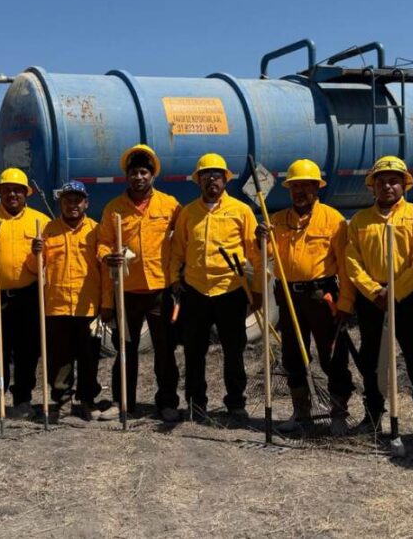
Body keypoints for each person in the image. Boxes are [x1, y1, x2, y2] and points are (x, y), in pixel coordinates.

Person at [344, 156, 413, 446]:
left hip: (410, 298)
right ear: (372, 186)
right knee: (372, 360)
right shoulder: (360, 221)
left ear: (404, 184)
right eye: (381, 181)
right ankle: (372, 417)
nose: (387, 186)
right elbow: (352, 262)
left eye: (393, 181)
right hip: (373, 300)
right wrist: (374, 291)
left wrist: (395, 292)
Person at [258, 158, 358, 435]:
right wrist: (260, 239)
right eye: (295, 186)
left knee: (332, 356)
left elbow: (346, 267)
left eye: (306, 186)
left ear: (317, 187)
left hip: (322, 295)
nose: (300, 191)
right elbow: (262, 257)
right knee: (292, 355)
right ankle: (301, 413)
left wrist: (346, 303)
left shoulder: (333, 220)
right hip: (288, 296)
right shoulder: (276, 221)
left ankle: (338, 414)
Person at [168, 153, 263, 427]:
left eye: (217, 176)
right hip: (196, 292)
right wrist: (175, 279)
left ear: (225, 180)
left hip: (230, 291)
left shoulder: (241, 211)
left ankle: (236, 404)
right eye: (206, 176)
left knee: (234, 351)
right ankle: (196, 403)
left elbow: (255, 256)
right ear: (199, 181)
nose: (212, 180)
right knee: (194, 352)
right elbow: (177, 252)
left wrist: (256, 290)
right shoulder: (188, 213)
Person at [97, 144, 181, 422]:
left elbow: (184, 238)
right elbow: (102, 243)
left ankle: (167, 402)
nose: (139, 177)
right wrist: (108, 256)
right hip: (127, 292)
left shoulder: (169, 205)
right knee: (125, 350)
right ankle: (123, 403)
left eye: (144, 172)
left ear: (152, 175)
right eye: (134, 172)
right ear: (126, 176)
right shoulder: (114, 209)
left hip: (160, 290)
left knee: (165, 351)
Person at [0, 168, 50, 419]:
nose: (12, 194)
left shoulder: (40, 221)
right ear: (0, 193)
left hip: (27, 295)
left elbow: (43, 266)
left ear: (26, 193)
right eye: (7, 190)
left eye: (17, 190)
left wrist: (39, 254)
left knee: (27, 349)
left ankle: (23, 399)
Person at [27, 181, 103, 420]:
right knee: (60, 359)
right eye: (68, 200)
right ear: (61, 203)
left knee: (89, 357)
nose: (73, 205)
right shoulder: (48, 230)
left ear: (86, 203)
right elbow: (34, 268)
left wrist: (107, 303)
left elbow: (103, 268)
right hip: (57, 306)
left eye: (77, 200)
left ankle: (88, 400)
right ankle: (61, 400)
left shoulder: (96, 230)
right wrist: (35, 253)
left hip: (88, 305)